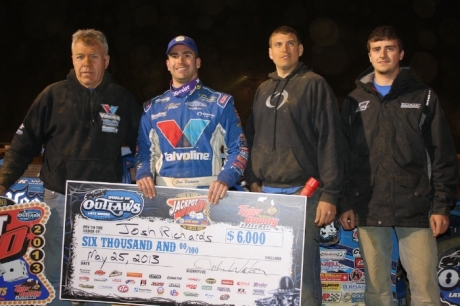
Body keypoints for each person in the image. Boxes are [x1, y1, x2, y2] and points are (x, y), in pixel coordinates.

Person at [0, 29, 141, 306]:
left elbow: (144, 146)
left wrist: (144, 173)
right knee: (55, 274)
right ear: (72, 59)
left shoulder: (122, 100)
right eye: (80, 56)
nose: (86, 63)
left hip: (105, 205)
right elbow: (23, 144)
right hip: (58, 199)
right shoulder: (52, 96)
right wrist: (3, 182)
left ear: (106, 60)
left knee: (101, 278)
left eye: (93, 57)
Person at [339, 25, 459, 306]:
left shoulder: (423, 96)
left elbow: (441, 154)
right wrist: (345, 202)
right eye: (377, 49)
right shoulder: (355, 101)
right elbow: (343, 156)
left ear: (401, 53)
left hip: (415, 208)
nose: (383, 54)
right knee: (377, 291)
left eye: (389, 48)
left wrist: (441, 205)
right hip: (369, 206)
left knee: (425, 292)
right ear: (369, 55)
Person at [244, 26, 344, 306]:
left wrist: (330, 194)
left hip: (305, 194)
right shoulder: (262, 89)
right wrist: (252, 179)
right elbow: (251, 138)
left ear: (300, 50)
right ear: (270, 52)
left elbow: (330, 141)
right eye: (278, 44)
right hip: (267, 195)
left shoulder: (315, 84)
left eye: (290, 44)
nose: (284, 49)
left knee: (303, 275)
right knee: (269, 272)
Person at [135, 35, 247, 204]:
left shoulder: (220, 103)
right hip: (163, 197)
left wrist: (226, 178)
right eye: (174, 56)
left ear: (198, 62)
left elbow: (240, 149)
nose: (180, 60)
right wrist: (143, 174)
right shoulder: (152, 108)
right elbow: (143, 153)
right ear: (168, 64)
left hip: (210, 197)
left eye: (187, 55)